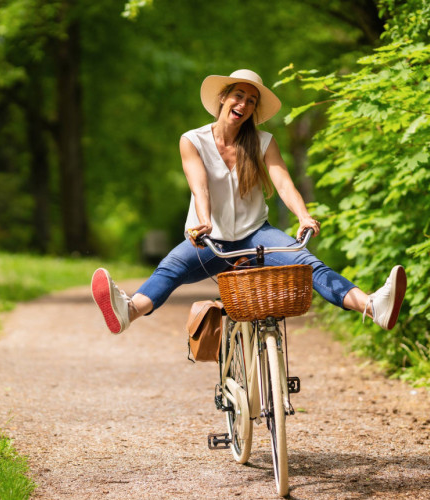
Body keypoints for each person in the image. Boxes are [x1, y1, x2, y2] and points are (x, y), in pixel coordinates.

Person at [91, 69, 406, 335]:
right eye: (238, 95)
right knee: (170, 270)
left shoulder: (263, 142)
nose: (243, 103)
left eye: (251, 100)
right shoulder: (192, 140)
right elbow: (200, 188)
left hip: (257, 236)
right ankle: (128, 312)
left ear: (254, 110)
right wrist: (204, 223)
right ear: (223, 98)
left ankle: (371, 306)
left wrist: (303, 216)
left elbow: (282, 180)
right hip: (209, 239)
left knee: (308, 264)